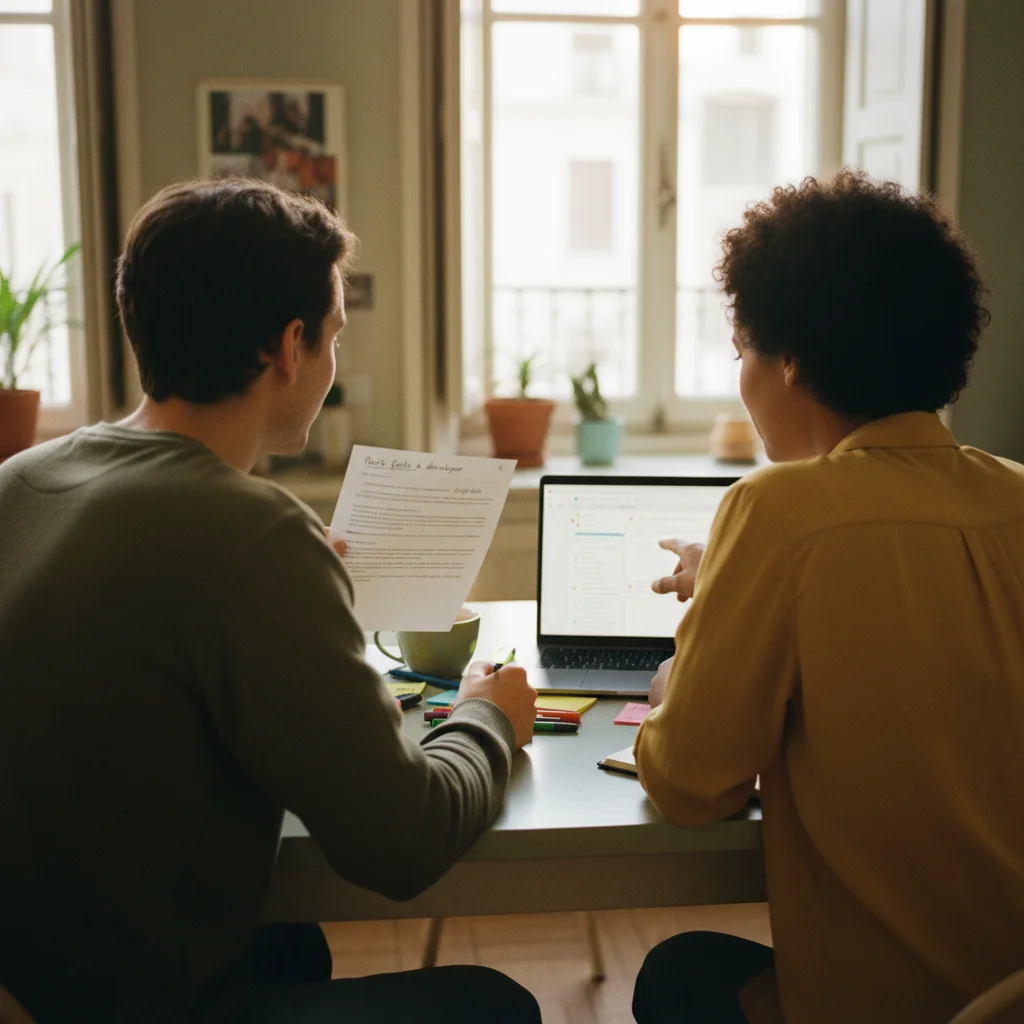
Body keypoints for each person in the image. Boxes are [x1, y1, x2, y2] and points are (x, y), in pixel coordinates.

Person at [0, 178, 542, 1023]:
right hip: (146, 1003)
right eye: (332, 337)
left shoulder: (22, 482)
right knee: (493, 1005)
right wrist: (491, 716)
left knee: (297, 944)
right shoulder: (250, 535)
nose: (329, 362)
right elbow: (404, 843)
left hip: (32, 980)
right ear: (289, 348)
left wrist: (285, 578)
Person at [632, 170, 1024, 1024]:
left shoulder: (777, 512)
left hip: (884, 1007)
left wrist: (697, 634)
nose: (741, 374)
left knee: (674, 975)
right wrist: (731, 581)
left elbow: (689, 784)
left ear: (793, 358)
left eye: (742, 351)